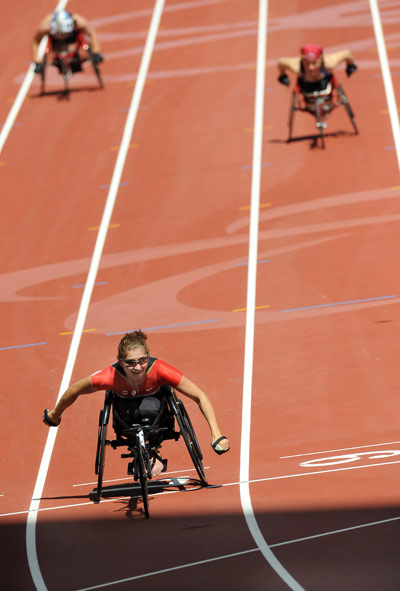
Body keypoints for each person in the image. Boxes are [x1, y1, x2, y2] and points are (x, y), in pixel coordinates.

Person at [43, 330, 230, 475]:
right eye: (130, 362)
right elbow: (74, 389)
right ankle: (143, 451)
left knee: (150, 407)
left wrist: (216, 434)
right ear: (120, 362)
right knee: (126, 412)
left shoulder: (160, 370)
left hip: (158, 416)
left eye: (142, 360)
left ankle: (152, 450)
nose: (137, 367)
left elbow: (199, 396)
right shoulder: (110, 376)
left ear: (148, 357)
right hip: (126, 418)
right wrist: (55, 414)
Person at [32, 9, 103, 74]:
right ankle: (58, 61)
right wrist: (36, 62)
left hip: (72, 36)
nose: (63, 36)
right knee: (57, 48)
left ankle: (76, 60)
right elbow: (35, 41)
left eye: (64, 34)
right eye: (61, 34)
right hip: (55, 40)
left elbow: (91, 33)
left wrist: (96, 52)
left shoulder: (79, 22)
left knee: (81, 41)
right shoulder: (45, 26)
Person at [277, 43, 357, 92]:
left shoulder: (329, 63)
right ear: (302, 61)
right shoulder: (297, 67)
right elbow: (281, 62)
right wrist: (282, 76)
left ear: (321, 59)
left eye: (314, 63)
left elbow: (347, 53)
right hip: (306, 85)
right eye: (307, 64)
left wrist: (350, 66)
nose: (311, 67)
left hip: (325, 82)